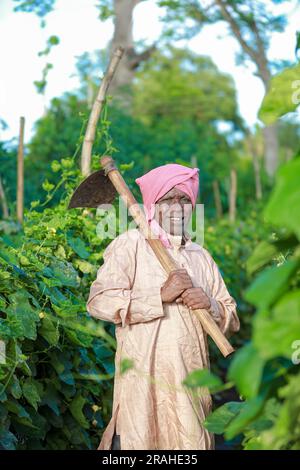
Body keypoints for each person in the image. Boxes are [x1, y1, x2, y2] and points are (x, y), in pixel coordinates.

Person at [86, 163, 240, 450]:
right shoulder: (129, 245)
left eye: (184, 199)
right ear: (153, 204)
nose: (177, 207)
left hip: (189, 382)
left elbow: (231, 315)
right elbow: (99, 301)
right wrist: (159, 295)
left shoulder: (200, 256)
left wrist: (211, 305)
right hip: (142, 380)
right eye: (168, 199)